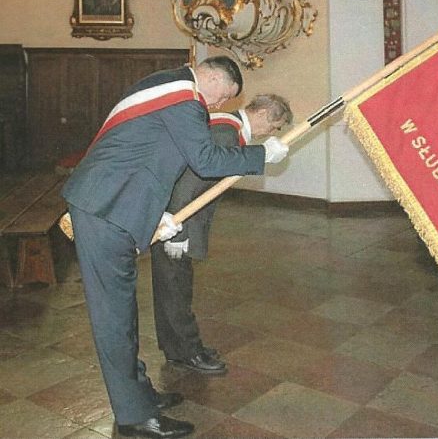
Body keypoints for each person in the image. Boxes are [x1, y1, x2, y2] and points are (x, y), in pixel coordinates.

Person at [61, 56, 289, 439]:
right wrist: (262, 155)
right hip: (105, 209)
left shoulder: (167, 86)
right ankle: (135, 417)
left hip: (115, 203)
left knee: (123, 316)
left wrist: (157, 216)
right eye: (224, 95)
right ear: (211, 76)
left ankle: (138, 394)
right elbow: (205, 160)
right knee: (115, 320)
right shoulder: (184, 98)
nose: (220, 104)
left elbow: (148, 158)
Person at [151, 94, 293, 375]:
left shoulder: (228, 126)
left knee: (173, 286)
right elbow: (189, 182)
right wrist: (176, 231)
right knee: (176, 289)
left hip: (174, 219)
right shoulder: (226, 131)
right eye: (274, 126)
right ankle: (188, 353)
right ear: (263, 114)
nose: (270, 133)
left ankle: (178, 348)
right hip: (174, 224)